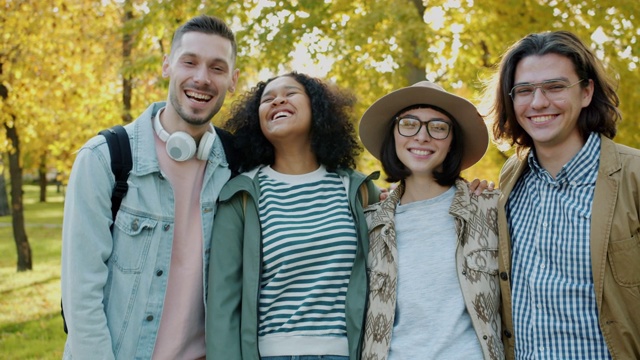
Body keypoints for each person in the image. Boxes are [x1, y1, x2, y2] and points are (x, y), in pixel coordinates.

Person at [61, 15, 239, 359]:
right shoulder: (105, 159)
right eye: (190, 62)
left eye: (217, 68)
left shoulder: (236, 165)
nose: (202, 78)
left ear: (232, 80)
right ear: (166, 66)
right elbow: (80, 299)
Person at [206, 72, 381, 360]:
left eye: (290, 93)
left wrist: (473, 194)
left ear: (317, 108)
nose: (278, 101)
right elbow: (222, 307)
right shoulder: (241, 196)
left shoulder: (358, 190)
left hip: (349, 354)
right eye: (268, 99)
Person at [489, 30, 640, 359]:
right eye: (524, 90)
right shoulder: (508, 184)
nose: (539, 102)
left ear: (586, 92)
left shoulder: (634, 176)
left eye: (555, 87)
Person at [358, 81, 504, 360]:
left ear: (452, 142)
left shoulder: (489, 209)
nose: (422, 137)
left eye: (438, 127)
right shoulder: (370, 224)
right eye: (409, 124)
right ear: (394, 136)